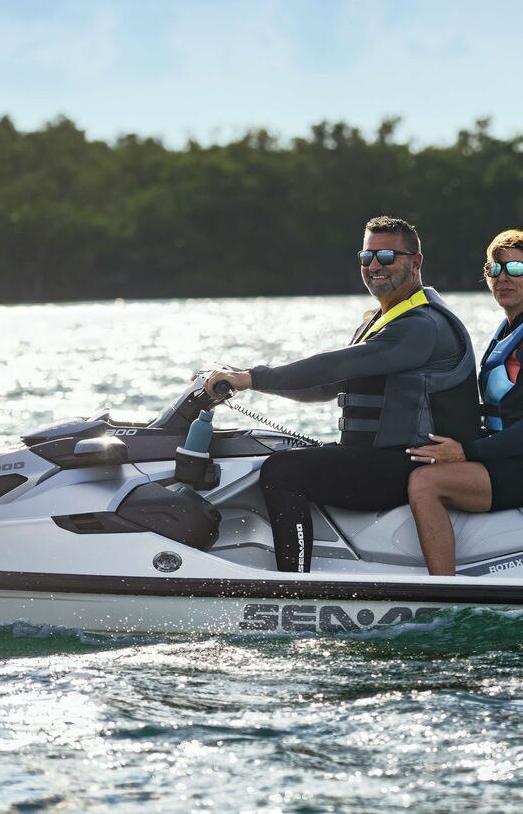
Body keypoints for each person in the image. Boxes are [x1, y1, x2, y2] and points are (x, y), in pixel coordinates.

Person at [204, 216, 480, 573]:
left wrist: (252, 377)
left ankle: (295, 583)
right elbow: (324, 387)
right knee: (267, 451)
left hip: (406, 462)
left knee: (282, 471)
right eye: (367, 257)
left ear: (416, 262)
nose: (374, 266)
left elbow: (334, 366)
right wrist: (247, 383)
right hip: (377, 458)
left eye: (386, 257)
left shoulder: (422, 326)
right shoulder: (384, 320)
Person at [405, 229, 523, 576]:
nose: (503, 278)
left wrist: (464, 452)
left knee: (425, 484)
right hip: (513, 456)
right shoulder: (509, 330)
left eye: (516, 270)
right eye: (495, 269)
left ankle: (443, 590)